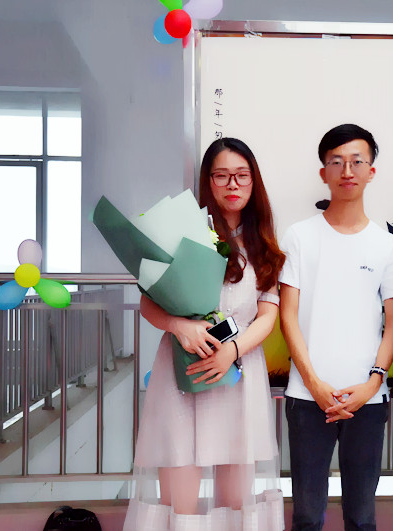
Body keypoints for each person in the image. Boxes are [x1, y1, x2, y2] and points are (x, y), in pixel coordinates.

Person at [124, 138, 286, 531]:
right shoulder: (185, 234)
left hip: (238, 371)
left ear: (254, 182)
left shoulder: (264, 242)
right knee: (179, 490)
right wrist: (180, 326)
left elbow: (267, 316)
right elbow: (149, 304)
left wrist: (233, 350)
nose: (232, 184)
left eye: (241, 175)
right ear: (207, 181)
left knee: (236, 499)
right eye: (221, 175)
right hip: (183, 370)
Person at [279, 123, 393, 531]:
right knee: (306, 516)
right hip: (307, 397)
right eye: (336, 162)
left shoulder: (387, 244)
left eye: (357, 161)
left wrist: (373, 383)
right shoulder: (300, 236)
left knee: (362, 515)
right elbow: (287, 315)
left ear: (372, 171)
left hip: (367, 400)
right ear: (324, 172)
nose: (347, 171)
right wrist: (314, 384)